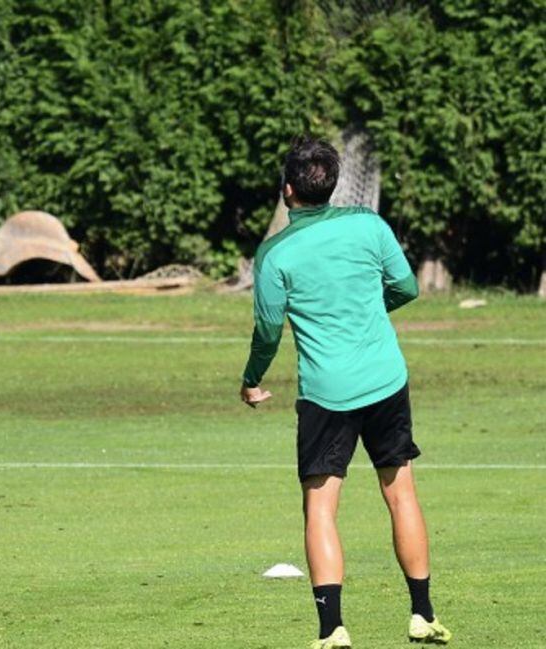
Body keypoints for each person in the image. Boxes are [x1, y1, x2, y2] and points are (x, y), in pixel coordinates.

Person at [239, 137, 452, 648]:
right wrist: (369, 311)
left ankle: (332, 628)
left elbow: (268, 330)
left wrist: (251, 379)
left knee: (320, 510)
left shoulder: (274, 253)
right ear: (331, 186)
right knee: (401, 494)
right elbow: (406, 287)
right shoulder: (369, 225)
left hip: (326, 395)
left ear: (287, 189)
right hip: (386, 381)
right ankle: (421, 614)